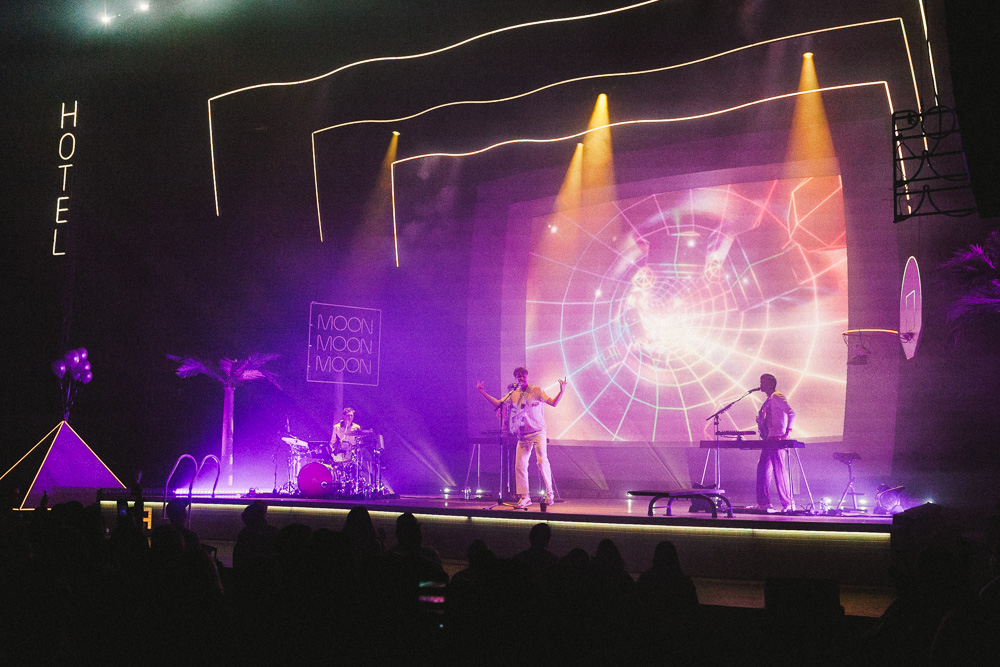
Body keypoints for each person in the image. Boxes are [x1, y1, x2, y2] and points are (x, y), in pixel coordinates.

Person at [477, 367, 566, 509]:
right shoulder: (513, 393)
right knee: (520, 465)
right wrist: (482, 391)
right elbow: (497, 403)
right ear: (515, 378)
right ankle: (525, 497)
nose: (520, 378)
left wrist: (562, 390)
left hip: (538, 431)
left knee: (541, 461)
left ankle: (550, 493)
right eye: (518, 376)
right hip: (523, 435)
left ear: (527, 376)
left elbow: (553, 403)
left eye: (523, 375)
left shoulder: (537, 390)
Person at [755, 373, 795, 512]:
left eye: (763, 382)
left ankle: (788, 504)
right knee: (763, 470)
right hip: (769, 438)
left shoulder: (777, 395)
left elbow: (791, 412)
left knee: (778, 471)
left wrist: (787, 431)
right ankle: (764, 504)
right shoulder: (769, 399)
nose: (760, 384)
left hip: (777, 438)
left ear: (771, 384)